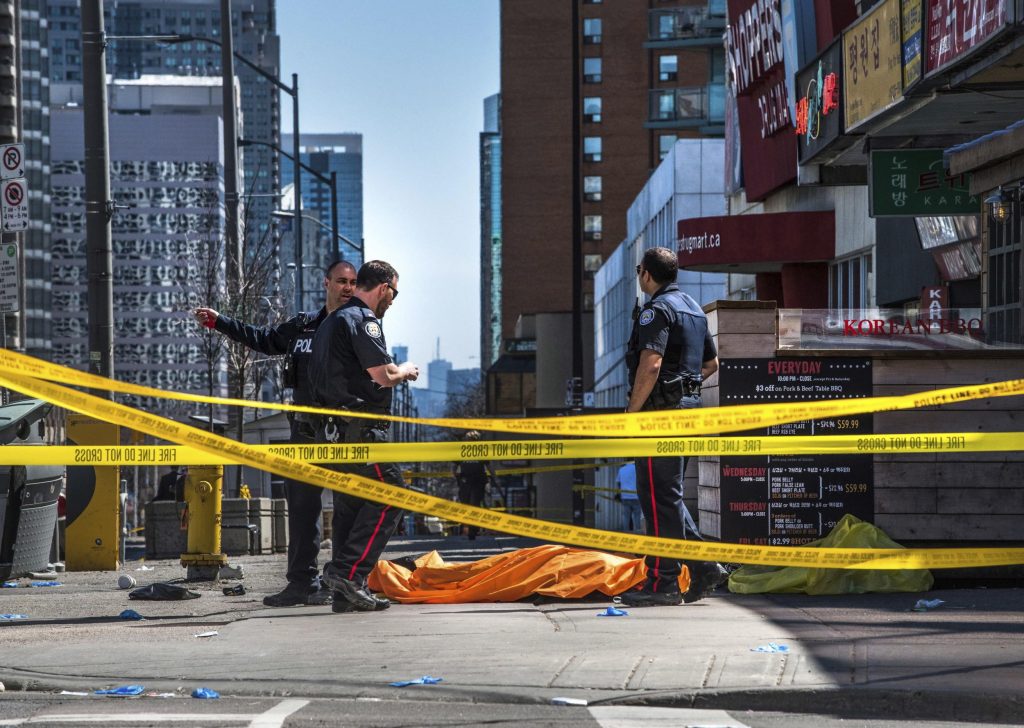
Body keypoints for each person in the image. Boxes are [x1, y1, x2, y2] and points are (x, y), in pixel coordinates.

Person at [193, 260, 358, 608]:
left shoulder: (357, 326)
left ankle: (341, 580)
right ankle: (301, 584)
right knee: (302, 508)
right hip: (304, 431)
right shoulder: (302, 327)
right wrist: (221, 322)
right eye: (341, 281)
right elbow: (265, 340)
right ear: (326, 282)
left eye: (353, 283)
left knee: (347, 507)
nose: (347, 288)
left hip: (344, 432)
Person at [307, 259, 420, 613]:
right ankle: (347, 574)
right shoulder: (361, 320)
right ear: (383, 288)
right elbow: (383, 375)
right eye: (394, 294)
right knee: (390, 495)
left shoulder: (330, 322)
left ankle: (345, 594)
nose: (392, 302)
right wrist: (405, 370)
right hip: (361, 433)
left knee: (351, 508)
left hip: (335, 434)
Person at [621, 247, 728, 607]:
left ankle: (662, 582)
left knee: (656, 498)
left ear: (647, 274)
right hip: (686, 412)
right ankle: (703, 566)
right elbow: (712, 363)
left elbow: (650, 365)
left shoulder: (657, 310)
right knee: (668, 497)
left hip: (659, 417)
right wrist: (684, 385)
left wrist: (633, 413)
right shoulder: (694, 309)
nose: (639, 276)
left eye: (639, 270)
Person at [453, 431, 494, 540]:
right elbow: (455, 464)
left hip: (478, 480)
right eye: (468, 439)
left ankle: (473, 530)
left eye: (472, 439)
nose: (469, 441)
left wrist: (493, 475)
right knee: (465, 505)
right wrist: (455, 475)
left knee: (474, 504)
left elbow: (488, 464)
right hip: (465, 480)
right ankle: (466, 527)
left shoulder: (481, 450)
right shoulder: (462, 450)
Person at [614, 461, 642, 533]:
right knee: (637, 516)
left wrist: (619, 493)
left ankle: (625, 533)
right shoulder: (637, 469)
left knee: (626, 516)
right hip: (636, 496)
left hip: (625, 496)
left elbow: (618, 482)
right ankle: (638, 532)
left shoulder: (622, 469)